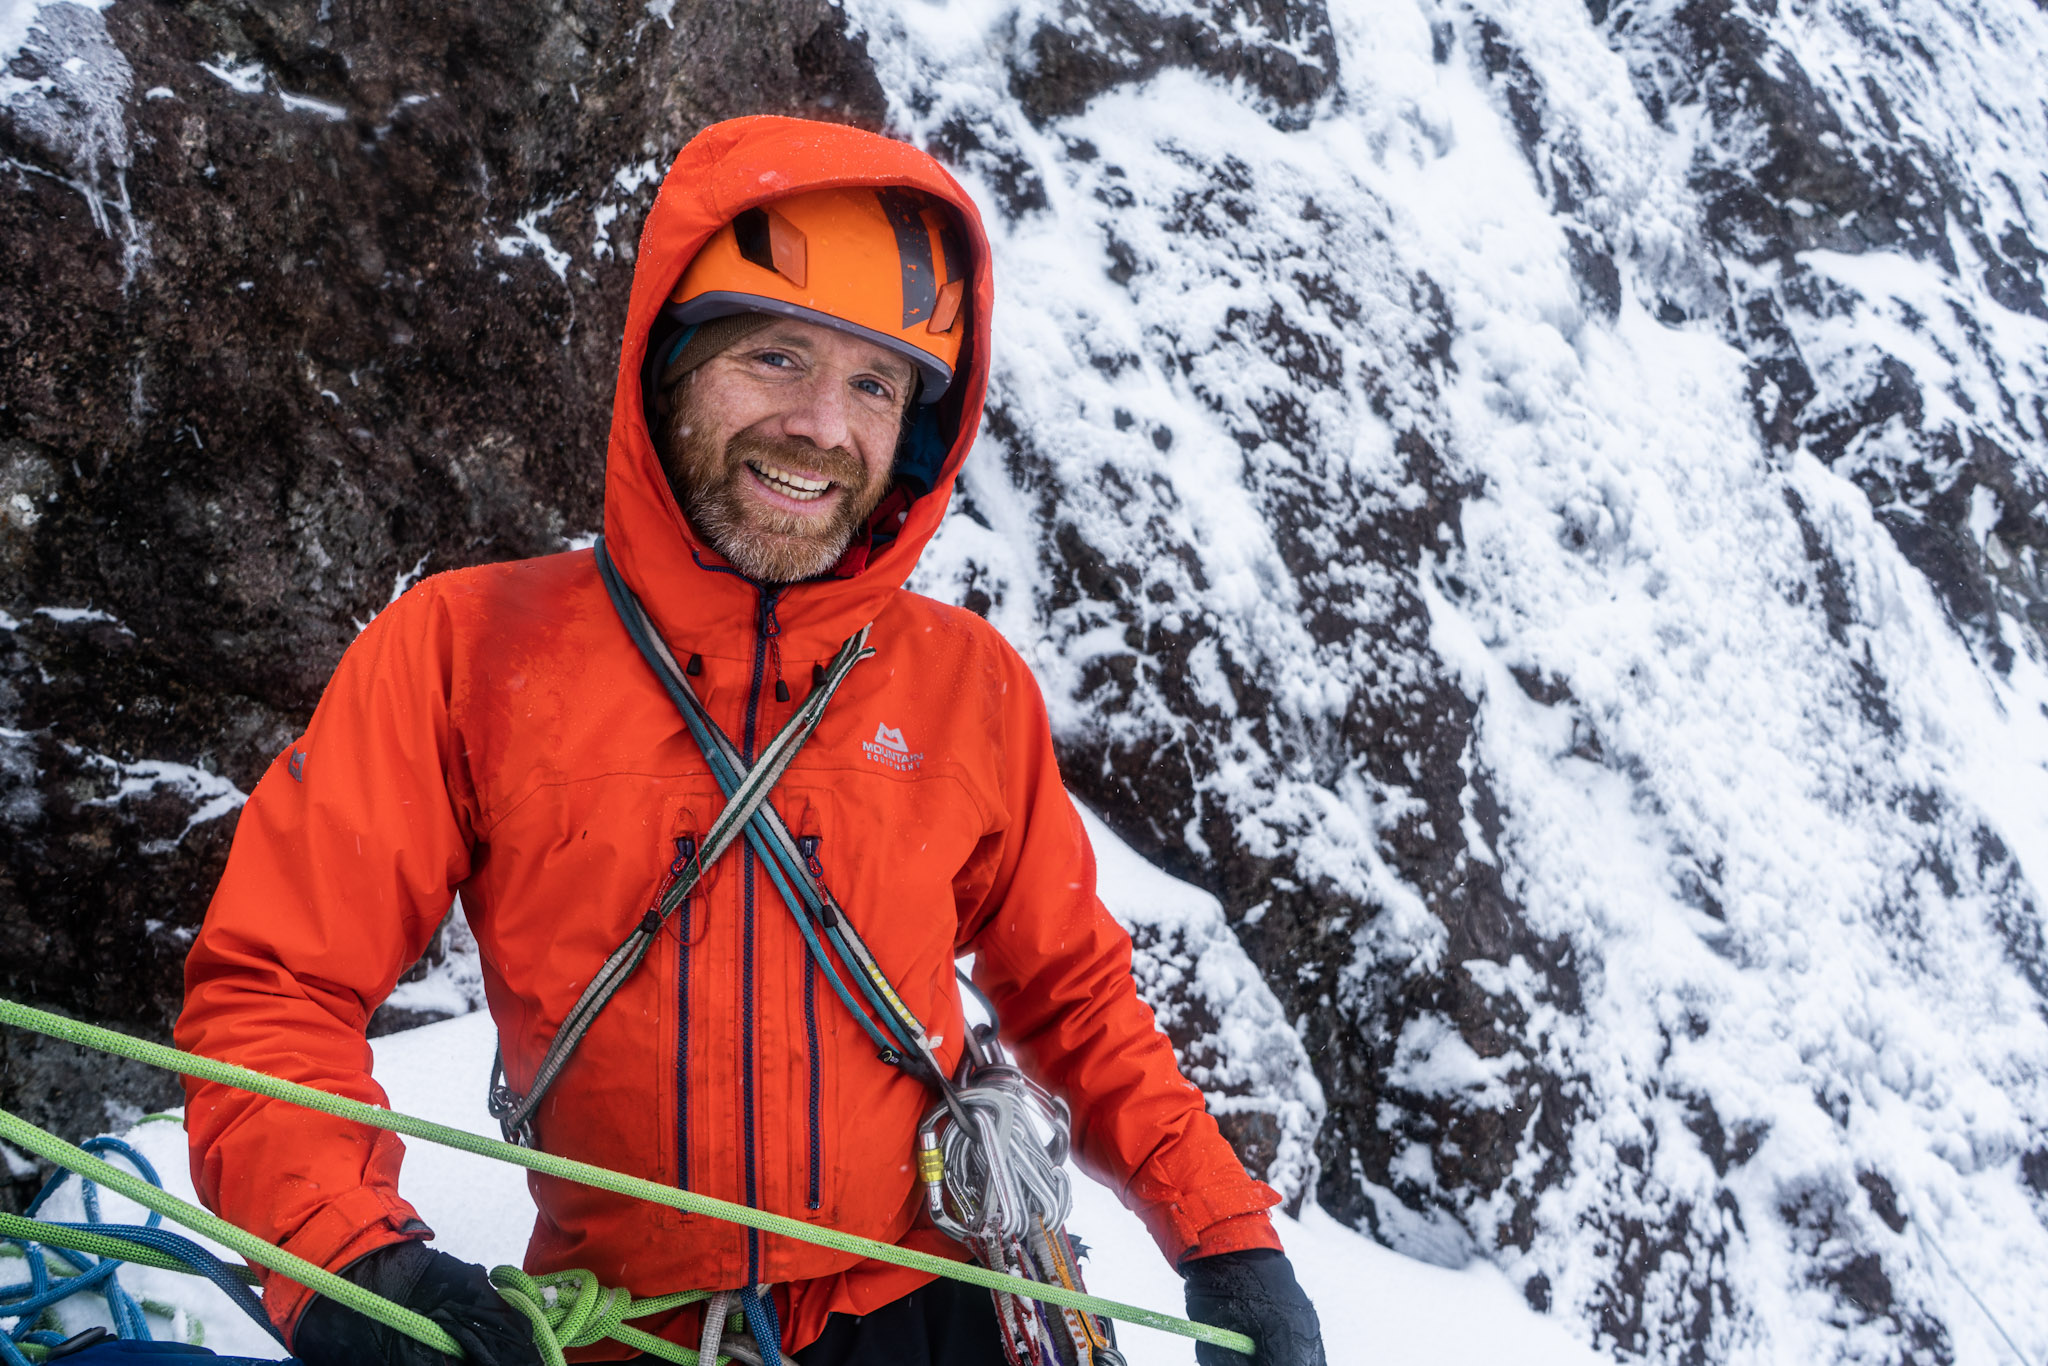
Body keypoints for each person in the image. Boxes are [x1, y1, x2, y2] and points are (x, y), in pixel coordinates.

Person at [174, 115, 1325, 1366]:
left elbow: (1072, 992)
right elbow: (279, 985)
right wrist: (346, 1256)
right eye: (776, 356)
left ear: (915, 434)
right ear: (667, 367)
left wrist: (1225, 1239)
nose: (823, 427)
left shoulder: (964, 683)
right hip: (630, 1333)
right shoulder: (465, 652)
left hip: (931, 1314)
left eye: (876, 384)